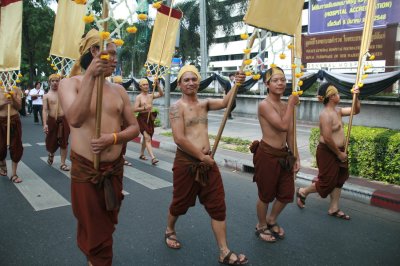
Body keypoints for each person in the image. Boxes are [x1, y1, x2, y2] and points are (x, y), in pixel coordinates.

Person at [58, 29, 140, 266]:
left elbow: (134, 128)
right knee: (96, 233)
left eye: (116, 54)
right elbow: (75, 119)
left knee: (105, 226)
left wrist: (112, 138)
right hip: (86, 171)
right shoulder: (69, 84)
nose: (115, 59)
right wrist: (91, 78)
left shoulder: (119, 91)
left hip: (113, 171)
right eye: (110, 53)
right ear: (95, 51)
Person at [164, 65, 248, 265]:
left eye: (194, 79)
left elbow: (227, 102)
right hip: (187, 163)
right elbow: (179, 139)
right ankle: (170, 229)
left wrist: (236, 84)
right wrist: (202, 158)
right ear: (179, 84)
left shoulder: (205, 103)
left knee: (217, 204)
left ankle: (224, 251)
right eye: (186, 80)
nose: (191, 82)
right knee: (180, 203)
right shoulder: (177, 108)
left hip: (207, 162)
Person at [249, 66, 300, 242]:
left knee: (287, 193)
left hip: (284, 156)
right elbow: (282, 126)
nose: (280, 83)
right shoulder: (264, 105)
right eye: (275, 80)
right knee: (266, 195)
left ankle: (271, 219)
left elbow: (290, 134)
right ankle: (261, 225)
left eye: (283, 80)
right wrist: (292, 105)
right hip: (267, 155)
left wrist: (296, 157)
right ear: (267, 84)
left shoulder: (285, 105)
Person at [296, 83, 360, 220]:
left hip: (340, 150)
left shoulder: (338, 111)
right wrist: (339, 154)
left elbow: (355, 111)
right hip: (328, 152)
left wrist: (356, 95)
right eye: (337, 94)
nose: (339, 96)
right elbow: (327, 137)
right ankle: (303, 191)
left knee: (339, 179)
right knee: (327, 181)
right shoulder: (325, 115)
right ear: (331, 97)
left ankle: (334, 208)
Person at [42, 74, 70, 171]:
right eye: (53, 81)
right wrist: (45, 123)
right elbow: (45, 110)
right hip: (52, 120)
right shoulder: (46, 96)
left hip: (63, 120)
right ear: (49, 82)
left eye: (57, 81)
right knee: (51, 141)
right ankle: (51, 152)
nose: (55, 83)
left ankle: (63, 163)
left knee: (64, 142)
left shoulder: (64, 93)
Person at [133, 78, 163, 165]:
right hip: (142, 119)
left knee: (147, 138)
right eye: (144, 85)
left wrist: (157, 85)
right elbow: (134, 109)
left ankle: (142, 154)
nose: (146, 86)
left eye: (147, 84)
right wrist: (144, 108)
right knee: (147, 138)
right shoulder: (139, 97)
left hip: (149, 118)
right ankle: (153, 158)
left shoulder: (151, 95)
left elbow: (161, 94)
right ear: (140, 87)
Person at [0, 85, 23, 183]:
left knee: (16, 146)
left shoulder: (16, 89)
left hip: (14, 119)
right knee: (0, 147)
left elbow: (19, 107)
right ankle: (2, 162)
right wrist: (4, 102)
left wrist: (13, 97)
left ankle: (14, 174)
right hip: (1, 120)